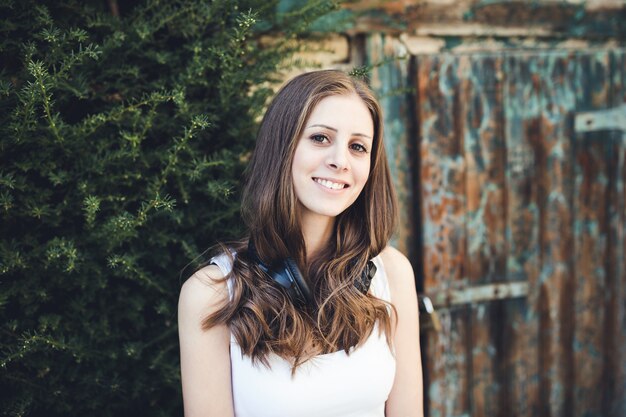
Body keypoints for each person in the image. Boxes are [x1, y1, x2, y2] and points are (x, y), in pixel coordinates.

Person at [178, 70, 423, 417]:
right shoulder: (210, 294)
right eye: (321, 138)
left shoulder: (392, 273)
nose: (340, 161)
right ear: (282, 146)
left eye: (357, 146)